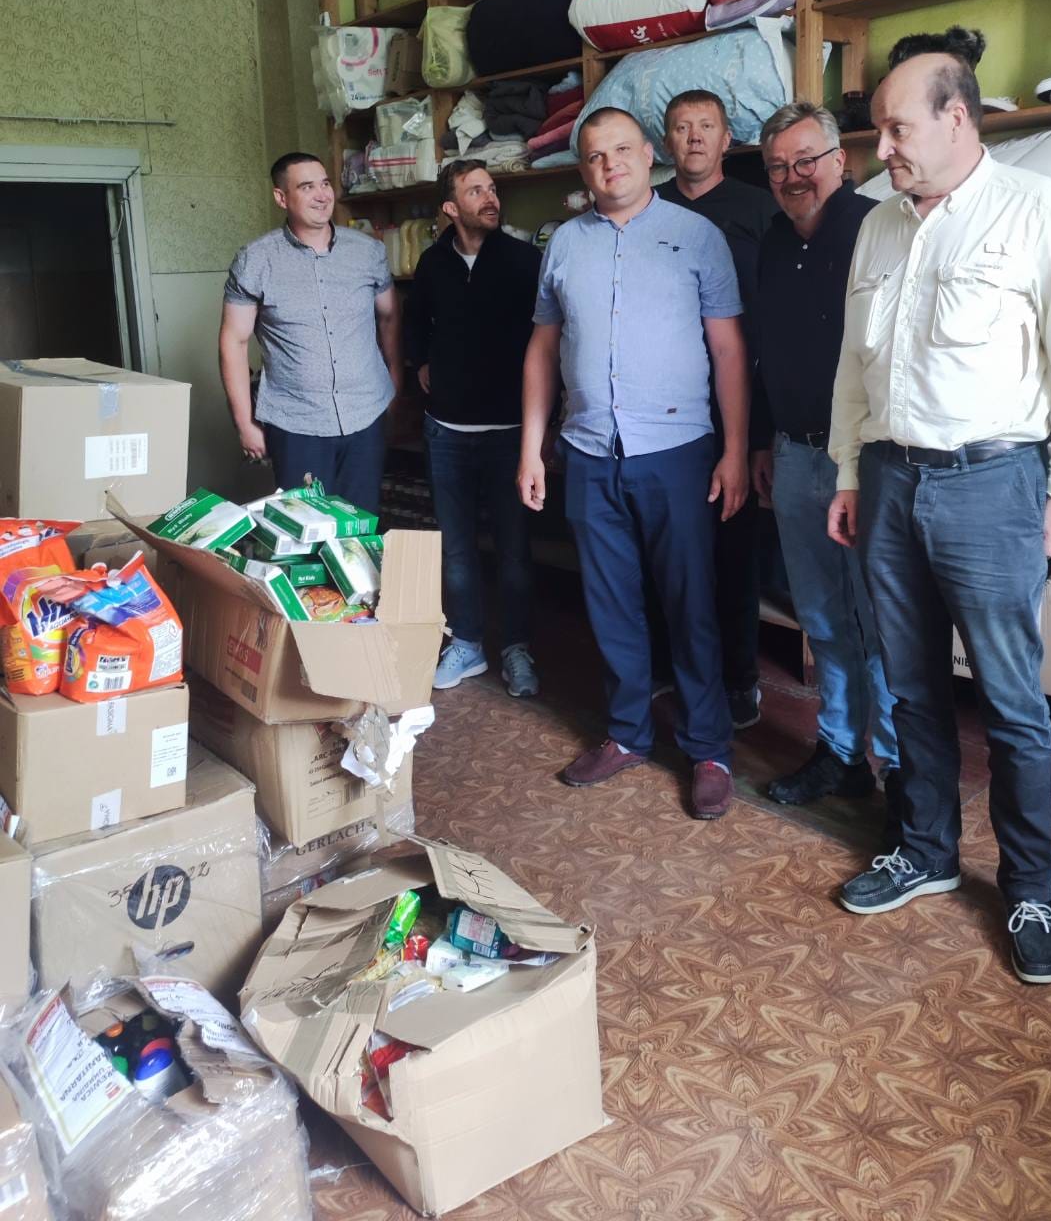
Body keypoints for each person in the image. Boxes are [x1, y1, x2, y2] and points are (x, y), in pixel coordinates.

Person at [826, 26, 1051, 985]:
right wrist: (848, 473)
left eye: (897, 129)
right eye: (877, 131)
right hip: (890, 477)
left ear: (956, 118)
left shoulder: (1033, 210)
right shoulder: (878, 224)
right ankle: (925, 850)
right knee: (908, 684)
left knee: (1009, 700)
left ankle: (1029, 887)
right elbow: (853, 366)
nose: (881, 149)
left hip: (992, 484)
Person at [518, 107, 750, 820]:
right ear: (583, 169)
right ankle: (627, 732)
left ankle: (708, 748)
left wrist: (735, 452)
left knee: (690, 602)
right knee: (610, 602)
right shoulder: (564, 244)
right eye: (594, 156)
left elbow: (727, 350)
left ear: (648, 155)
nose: (609, 164)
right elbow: (542, 349)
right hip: (590, 451)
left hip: (677, 452)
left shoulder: (696, 236)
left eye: (621, 150)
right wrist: (531, 447)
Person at [749, 101, 899, 836]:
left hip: (865, 460)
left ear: (840, 160)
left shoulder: (877, 229)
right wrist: (761, 442)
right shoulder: (773, 241)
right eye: (778, 166)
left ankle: (901, 773)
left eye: (805, 160)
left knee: (882, 624)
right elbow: (761, 348)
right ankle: (841, 754)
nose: (793, 176)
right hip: (794, 453)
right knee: (823, 620)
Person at [657, 89, 777, 730]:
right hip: (662, 415)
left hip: (739, 409)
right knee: (664, 550)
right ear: (666, 142)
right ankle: (668, 668)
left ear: (728, 139)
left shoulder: (759, 209)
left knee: (732, 552)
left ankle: (738, 679)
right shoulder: (647, 208)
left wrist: (758, 436)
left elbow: (774, 323)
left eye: (707, 126)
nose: (695, 137)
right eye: (682, 127)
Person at [405, 159, 542, 698]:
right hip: (447, 431)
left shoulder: (524, 260)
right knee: (457, 548)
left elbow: (549, 339)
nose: (490, 198)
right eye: (475, 191)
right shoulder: (433, 263)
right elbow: (415, 322)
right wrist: (420, 361)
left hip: (510, 430)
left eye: (492, 188)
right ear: (450, 207)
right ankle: (467, 643)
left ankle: (517, 648)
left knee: (514, 549)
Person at [219, 152, 399, 514]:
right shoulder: (256, 260)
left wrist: (395, 385)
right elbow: (234, 342)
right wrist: (245, 424)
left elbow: (390, 318)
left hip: (366, 414)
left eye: (325, 184)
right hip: (296, 423)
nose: (322, 195)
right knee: (305, 529)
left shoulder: (367, 252)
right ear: (281, 197)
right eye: (306, 187)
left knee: (361, 526)